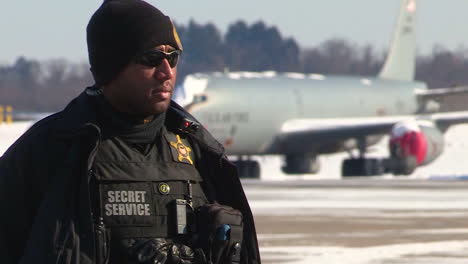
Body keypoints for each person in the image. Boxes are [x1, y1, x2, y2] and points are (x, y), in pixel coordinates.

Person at [0, 0, 261, 263]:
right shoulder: (51, 150)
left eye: (173, 58)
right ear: (111, 67)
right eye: (151, 59)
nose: (166, 72)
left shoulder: (197, 149)